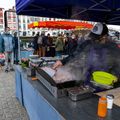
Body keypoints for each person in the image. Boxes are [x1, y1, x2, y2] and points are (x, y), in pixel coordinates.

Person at [53, 23, 120, 89]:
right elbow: (75, 55)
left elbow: (118, 64)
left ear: (104, 36)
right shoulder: (87, 44)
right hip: (87, 81)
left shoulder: (113, 47)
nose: (94, 40)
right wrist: (62, 61)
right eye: (93, 38)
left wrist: (114, 76)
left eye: (97, 38)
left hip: (105, 82)